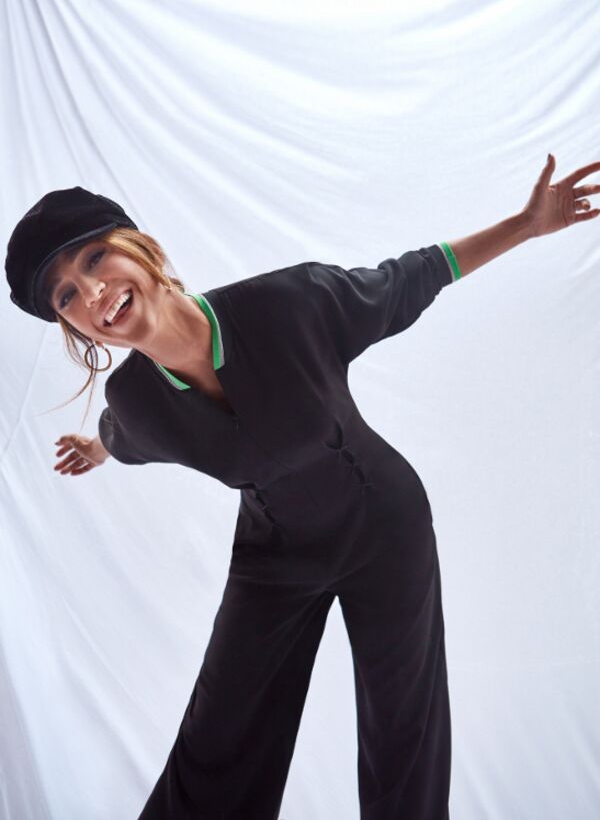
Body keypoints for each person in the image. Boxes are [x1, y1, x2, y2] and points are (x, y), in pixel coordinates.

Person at [5, 154, 599, 820]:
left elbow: (408, 277)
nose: (90, 293)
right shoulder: (135, 400)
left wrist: (526, 224)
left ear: (141, 248)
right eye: (65, 296)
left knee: (402, 735)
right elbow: (124, 437)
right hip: (275, 555)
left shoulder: (290, 303)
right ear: (71, 325)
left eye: (94, 259)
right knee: (216, 739)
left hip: (384, 527)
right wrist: (95, 449)